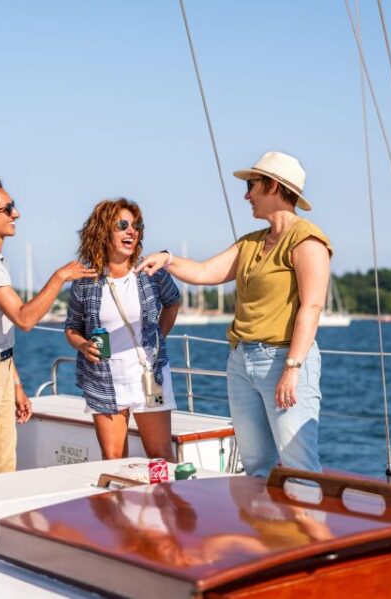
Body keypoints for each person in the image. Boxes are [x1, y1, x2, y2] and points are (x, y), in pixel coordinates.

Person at [136, 151, 332, 477]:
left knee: (299, 466)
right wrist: (167, 258)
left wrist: (293, 368)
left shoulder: (307, 239)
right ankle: (265, 527)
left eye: (252, 185)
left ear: (272, 186)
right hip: (242, 361)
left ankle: (308, 527)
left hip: (284, 360)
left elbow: (312, 307)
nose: (246, 194)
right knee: (255, 465)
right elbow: (203, 272)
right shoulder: (250, 244)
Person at [0, 176, 94, 479]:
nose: (17, 214)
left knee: (2, 473)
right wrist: (59, 277)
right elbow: (24, 319)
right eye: (8, 208)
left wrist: (15, 384)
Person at [65, 198, 181, 461]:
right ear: (104, 230)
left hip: (149, 376)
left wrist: (157, 339)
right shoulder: (85, 282)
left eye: (136, 225)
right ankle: (117, 503)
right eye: (123, 225)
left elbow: (173, 303)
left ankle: (166, 503)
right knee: (114, 458)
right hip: (105, 380)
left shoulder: (151, 272)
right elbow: (72, 328)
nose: (132, 231)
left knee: (160, 456)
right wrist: (83, 346)